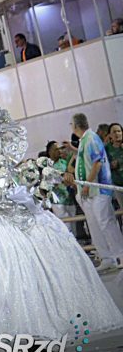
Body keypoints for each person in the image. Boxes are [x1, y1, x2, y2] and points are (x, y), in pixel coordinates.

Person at [0, 65, 123, 341]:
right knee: (5, 271)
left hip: (14, 205)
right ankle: (20, 339)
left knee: (44, 254)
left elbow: (13, 175)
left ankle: (43, 335)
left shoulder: (4, 139)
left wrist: (39, 177)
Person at [71, 113, 123, 272]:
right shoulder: (83, 140)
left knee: (106, 222)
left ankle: (120, 254)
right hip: (88, 192)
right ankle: (107, 257)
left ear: (75, 125)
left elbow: (97, 163)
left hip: (98, 188)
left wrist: (87, 184)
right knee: (94, 224)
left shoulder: (92, 138)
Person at [107, 122, 123, 187]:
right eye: (114, 132)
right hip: (116, 184)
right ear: (110, 135)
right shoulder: (106, 149)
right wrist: (110, 165)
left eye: (119, 131)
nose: (117, 133)